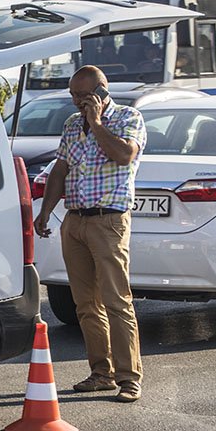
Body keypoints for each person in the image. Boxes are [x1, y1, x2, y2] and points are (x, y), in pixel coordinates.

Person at [34, 66, 147, 403]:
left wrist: (96, 123)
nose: (76, 102)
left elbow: (124, 155)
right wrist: (45, 211)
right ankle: (101, 373)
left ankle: (129, 379)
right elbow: (61, 168)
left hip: (108, 220)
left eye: (82, 96)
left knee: (116, 301)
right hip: (76, 220)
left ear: (101, 91)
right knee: (85, 304)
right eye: (73, 95)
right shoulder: (72, 124)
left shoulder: (128, 117)